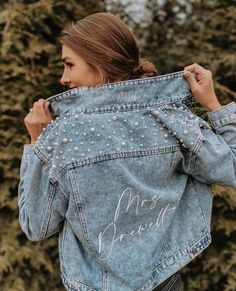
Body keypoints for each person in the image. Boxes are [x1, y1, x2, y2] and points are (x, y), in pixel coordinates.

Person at [18, 12, 236, 291]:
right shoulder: (171, 119)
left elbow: (36, 226)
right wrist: (213, 104)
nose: (63, 78)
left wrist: (38, 143)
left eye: (69, 65)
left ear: (101, 61)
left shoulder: (64, 137)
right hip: (164, 283)